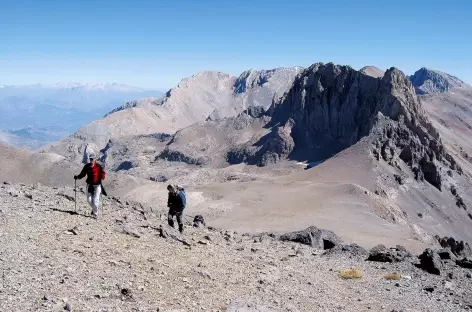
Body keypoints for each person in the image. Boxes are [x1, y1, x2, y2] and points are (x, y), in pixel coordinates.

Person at [74, 154, 106, 218]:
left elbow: (103, 173)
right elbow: (82, 174)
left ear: (95, 160)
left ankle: (95, 214)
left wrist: (102, 176)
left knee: (96, 200)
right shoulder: (87, 166)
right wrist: (77, 177)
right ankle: (94, 209)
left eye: (92, 159)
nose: (91, 160)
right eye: (90, 159)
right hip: (90, 185)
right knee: (89, 200)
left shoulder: (99, 166)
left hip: (97, 185)